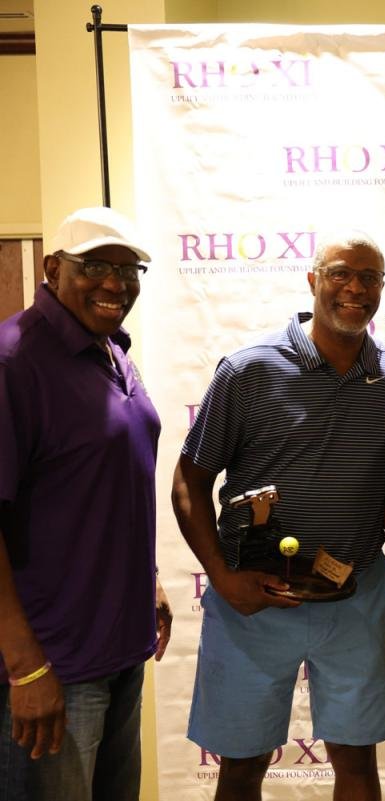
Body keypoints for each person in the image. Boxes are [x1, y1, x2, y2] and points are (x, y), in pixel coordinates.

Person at [171, 230, 385, 801]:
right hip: (253, 598)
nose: (355, 288)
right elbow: (189, 482)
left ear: (382, 288)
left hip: (354, 595)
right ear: (313, 281)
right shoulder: (248, 371)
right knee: (242, 765)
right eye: (340, 274)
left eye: (369, 278)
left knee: (357, 760)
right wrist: (222, 577)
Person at [0, 206, 172, 801]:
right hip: (55, 663)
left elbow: (103, 481)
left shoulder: (110, 350)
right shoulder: (14, 362)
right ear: (52, 269)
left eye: (128, 270)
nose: (115, 283)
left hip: (119, 647)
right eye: (95, 266)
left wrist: (147, 578)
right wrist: (25, 666)